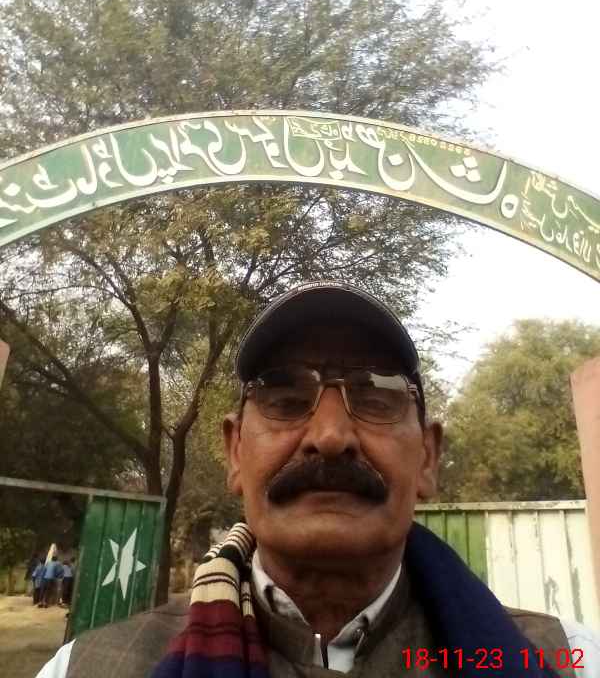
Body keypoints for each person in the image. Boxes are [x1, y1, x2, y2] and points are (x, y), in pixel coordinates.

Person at [36, 282, 600, 677]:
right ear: (235, 453)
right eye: (284, 399)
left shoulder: (569, 659)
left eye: (375, 396)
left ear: (428, 458)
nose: (330, 436)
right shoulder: (86, 668)